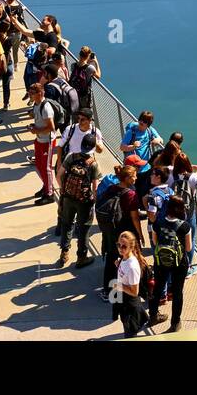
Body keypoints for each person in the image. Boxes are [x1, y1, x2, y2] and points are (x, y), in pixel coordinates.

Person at [148, 197, 193, 333]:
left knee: (157, 289)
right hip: (179, 263)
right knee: (177, 292)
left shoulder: (157, 222)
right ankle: (175, 323)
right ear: (180, 209)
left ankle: (153, 316)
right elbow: (189, 248)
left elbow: (155, 242)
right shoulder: (184, 226)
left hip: (161, 261)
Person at [96, 164, 142, 298]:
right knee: (127, 259)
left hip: (110, 231)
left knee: (111, 258)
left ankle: (107, 291)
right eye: (134, 176)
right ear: (127, 178)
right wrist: (139, 234)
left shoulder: (111, 188)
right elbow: (135, 217)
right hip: (124, 233)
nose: (136, 178)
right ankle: (129, 289)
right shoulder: (131, 194)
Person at [56, 136, 99, 269]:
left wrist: (64, 191)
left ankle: (64, 252)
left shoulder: (71, 157)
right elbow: (95, 187)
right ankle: (81, 257)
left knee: (67, 224)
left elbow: (59, 176)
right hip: (84, 201)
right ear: (93, 147)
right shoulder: (93, 164)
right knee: (84, 229)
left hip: (68, 197)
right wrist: (94, 200)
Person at [26, 82, 59, 205]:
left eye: (32, 93)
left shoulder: (46, 108)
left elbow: (51, 127)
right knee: (39, 165)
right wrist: (34, 127)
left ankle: (49, 194)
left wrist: (36, 130)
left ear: (40, 93)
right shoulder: (36, 104)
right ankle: (46, 186)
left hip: (47, 141)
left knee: (46, 168)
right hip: (39, 139)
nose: (30, 95)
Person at [112, 231, 150, 338]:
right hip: (123, 301)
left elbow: (134, 292)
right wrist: (119, 265)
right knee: (127, 328)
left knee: (130, 335)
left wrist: (120, 286)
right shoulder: (124, 259)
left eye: (124, 246)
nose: (120, 248)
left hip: (131, 307)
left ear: (131, 247)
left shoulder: (132, 266)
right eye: (118, 245)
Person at [57, 109, 103, 186]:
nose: (79, 121)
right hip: (71, 160)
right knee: (65, 181)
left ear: (90, 120)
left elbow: (100, 150)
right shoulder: (70, 129)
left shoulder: (95, 132)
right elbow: (60, 146)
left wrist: (95, 141)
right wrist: (59, 163)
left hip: (87, 163)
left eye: (83, 119)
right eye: (78, 118)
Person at [121, 111, 163, 191]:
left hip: (145, 167)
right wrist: (133, 146)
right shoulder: (131, 132)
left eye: (144, 121)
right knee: (131, 190)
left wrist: (157, 140)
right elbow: (122, 147)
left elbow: (161, 139)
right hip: (132, 168)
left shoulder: (150, 130)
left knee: (143, 190)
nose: (141, 122)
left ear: (148, 124)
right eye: (140, 119)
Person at [69, 46, 100, 121]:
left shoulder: (73, 65)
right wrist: (96, 62)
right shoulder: (90, 68)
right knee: (86, 112)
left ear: (79, 55)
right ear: (88, 56)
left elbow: (81, 66)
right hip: (85, 95)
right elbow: (98, 76)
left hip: (74, 93)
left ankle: (76, 124)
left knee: (76, 111)